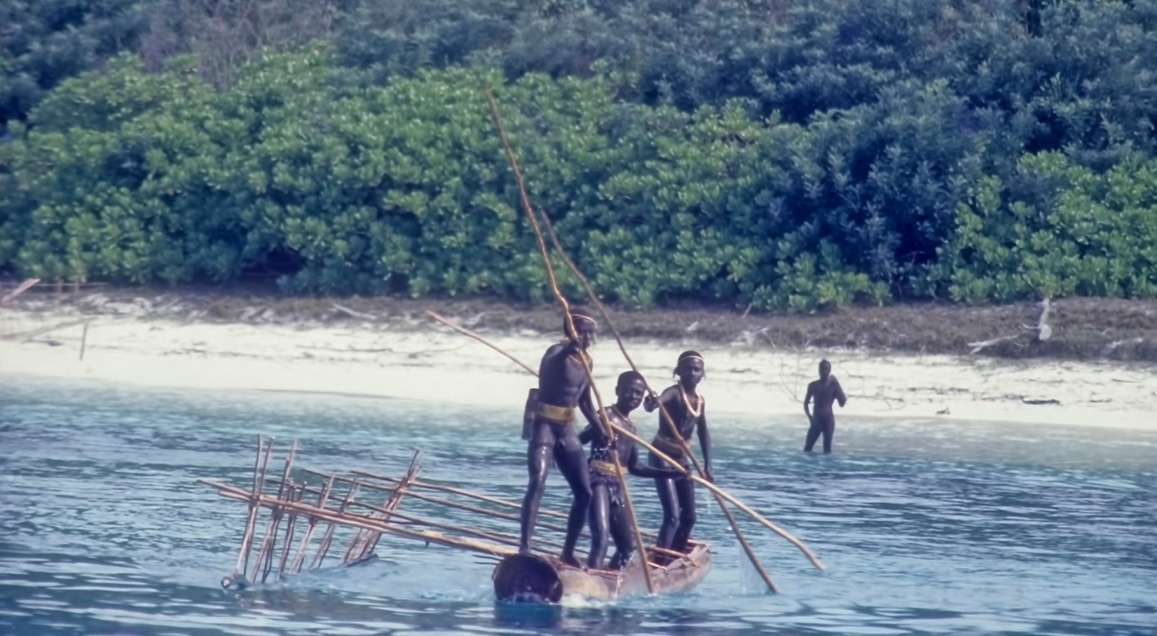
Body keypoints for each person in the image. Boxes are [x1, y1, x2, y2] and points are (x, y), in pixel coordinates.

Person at [519, 306, 607, 567]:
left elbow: (586, 404)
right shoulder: (555, 352)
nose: (587, 337)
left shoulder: (588, 363)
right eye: (582, 332)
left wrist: (603, 432)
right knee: (538, 480)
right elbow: (548, 371)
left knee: (585, 493)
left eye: (591, 333)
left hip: (566, 429)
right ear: (570, 330)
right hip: (544, 426)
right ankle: (525, 546)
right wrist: (569, 348)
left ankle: (568, 552)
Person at [578, 371, 682, 570]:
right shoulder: (605, 416)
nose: (634, 397)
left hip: (617, 486)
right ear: (618, 391)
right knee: (601, 536)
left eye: (638, 394)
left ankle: (612, 580)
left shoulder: (630, 428)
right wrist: (597, 434)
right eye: (630, 391)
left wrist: (671, 473)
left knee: (627, 548)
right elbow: (578, 440)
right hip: (597, 481)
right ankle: (592, 578)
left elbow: (635, 467)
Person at [643, 350, 712, 554]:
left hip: (682, 459)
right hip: (662, 455)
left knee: (689, 517)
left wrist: (708, 465)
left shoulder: (700, 400)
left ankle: (675, 553)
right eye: (687, 369)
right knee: (672, 515)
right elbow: (654, 405)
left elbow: (703, 432)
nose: (692, 373)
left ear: (702, 374)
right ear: (678, 372)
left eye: (696, 369)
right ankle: (659, 559)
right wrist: (651, 402)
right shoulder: (673, 392)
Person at [802, 359, 848, 454]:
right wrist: (810, 418)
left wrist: (837, 383)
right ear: (818, 370)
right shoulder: (813, 385)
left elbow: (842, 403)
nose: (823, 371)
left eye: (826, 369)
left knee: (827, 449)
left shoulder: (833, 385)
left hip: (828, 420)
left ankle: (826, 468)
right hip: (816, 420)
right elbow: (806, 403)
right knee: (807, 448)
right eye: (822, 369)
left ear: (829, 370)